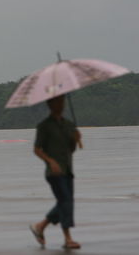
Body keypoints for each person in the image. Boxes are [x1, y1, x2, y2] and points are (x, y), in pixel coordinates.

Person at [29, 95, 82, 249]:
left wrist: (75, 139)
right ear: (50, 104)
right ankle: (67, 239)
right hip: (53, 173)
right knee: (66, 202)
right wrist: (50, 161)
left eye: (62, 101)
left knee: (65, 202)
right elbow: (36, 150)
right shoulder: (44, 126)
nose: (60, 104)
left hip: (67, 170)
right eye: (57, 102)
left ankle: (40, 226)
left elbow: (70, 150)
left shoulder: (69, 125)